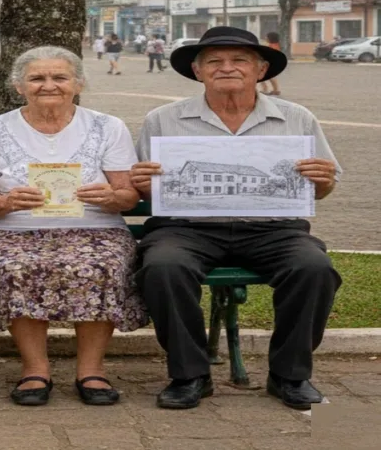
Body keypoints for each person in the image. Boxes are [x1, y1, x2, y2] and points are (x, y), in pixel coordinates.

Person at [129, 26, 342, 411]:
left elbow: (322, 189)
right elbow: (145, 188)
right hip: (186, 228)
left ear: (261, 71)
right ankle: (190, 375)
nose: (227, 68)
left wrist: (322, 181)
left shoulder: (296, 118)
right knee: (163, 266)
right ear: (198, 71)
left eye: (239, 60)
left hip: (273, 229)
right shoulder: (162, 119)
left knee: (314, 268)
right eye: (214, 61)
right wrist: (143, 183)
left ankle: (289, 375)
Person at [0, 46, 147, 407]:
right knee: (14, 266)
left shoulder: (107, 127)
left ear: (78, 83)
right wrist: (6, 203)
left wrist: (111, 197)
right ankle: (35, 370)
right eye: (37, 78)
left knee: (104, 265)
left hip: (96, 227)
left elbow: (128, 195)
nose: (49, 85)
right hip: (10, 230)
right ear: (19, 86)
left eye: (59, 77)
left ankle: (91, 371)